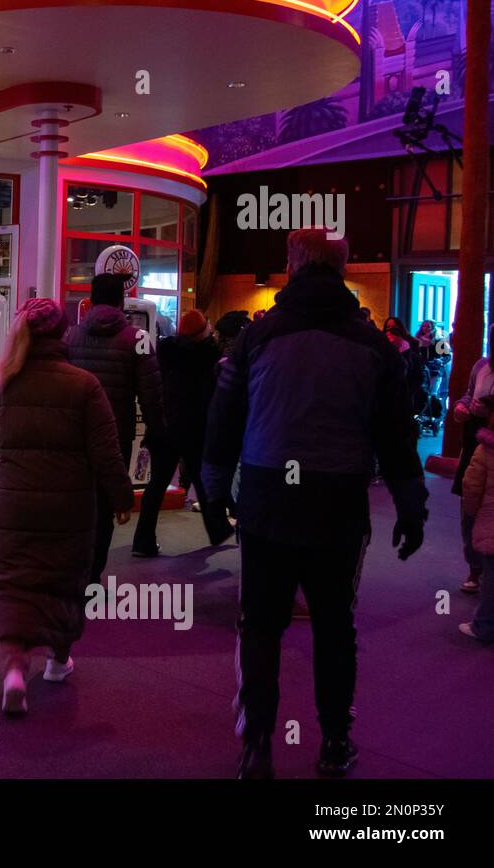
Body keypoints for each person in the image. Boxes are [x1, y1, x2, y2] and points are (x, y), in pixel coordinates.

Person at [204, 229, 427, 779]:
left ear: (292, 264)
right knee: (333, 627)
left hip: (266, 499)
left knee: (260, 625)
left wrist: (212, 484)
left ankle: (257, 745)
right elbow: (397, 438)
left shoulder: (257, 338)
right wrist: (411, 504)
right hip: (338, 506)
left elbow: (225, 416)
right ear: (342, 266)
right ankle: (333, 744)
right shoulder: (374, 346)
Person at [0, 299, 133, 715]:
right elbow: (106, 451)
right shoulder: (84, 385)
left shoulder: (3, 382)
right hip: (70, 507)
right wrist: (120, 496)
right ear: (64, 334)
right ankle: (57, 660)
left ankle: (14, 667)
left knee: (12, 580)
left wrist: (1, 481)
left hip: (15, 504)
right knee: (64, 579)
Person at [65, 272, 166, 581]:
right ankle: (92, 576)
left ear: (91, 300)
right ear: (122, 300)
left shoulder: (71, 336)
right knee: (105, 506)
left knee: (77, 502)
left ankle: (72, 571)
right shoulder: (137, 340)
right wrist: (156, 431)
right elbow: (150, 394)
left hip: (74, 433)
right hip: (115, 434)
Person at [132, 309, 233, 557]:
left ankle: (142, 541)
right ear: (203, 331)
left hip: (165, 428)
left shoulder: (166, 351)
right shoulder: (210, 355)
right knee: (204, 480)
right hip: (196, 430)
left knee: (156, 486)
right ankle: (218, 529)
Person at [452, 323, 494, 593]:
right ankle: (475, 569)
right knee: (469, 506)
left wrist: (487, 413)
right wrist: (461, 405)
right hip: (475, 445)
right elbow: (469, 394)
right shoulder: (481, 365)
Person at [458, 404, 494, 643]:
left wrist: (471, 514)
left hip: (491, 521)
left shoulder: (486, 450)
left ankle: (483, 625)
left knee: (492, 578)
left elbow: (471, 488)